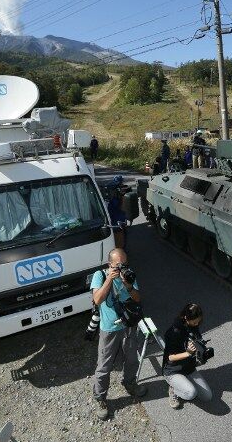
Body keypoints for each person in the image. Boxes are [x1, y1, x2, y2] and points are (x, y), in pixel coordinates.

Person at [91, 248, 146, 421]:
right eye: (119, 265)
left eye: (125, 264)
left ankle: (129, 383)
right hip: (109, 328)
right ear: (110, 264)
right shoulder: (99, 275)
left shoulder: (129, 275)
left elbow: (137, 298)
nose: (123, 267)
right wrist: (109, 279)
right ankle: (100, 397)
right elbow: (97, 300)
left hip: (128, 325)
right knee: (104, 366)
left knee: (131, 359)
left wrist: (128, 285)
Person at [162, 303, 212, 409]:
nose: (197, 324)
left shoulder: (192, 326)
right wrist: (188, 353)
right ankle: (173, 389)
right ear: (186, 317)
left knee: (207, 397)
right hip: (173, 369)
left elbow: (197, 341)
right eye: (194, 322)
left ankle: (184, 381)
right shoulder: (174, 333)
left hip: (188, 367)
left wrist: (202, 351)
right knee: (191, 393)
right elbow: (170, 357)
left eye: (199, 321)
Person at [106, 176, 128, 249]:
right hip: (117, 225)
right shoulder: (115, 200)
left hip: (116, 224)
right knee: (120, 246)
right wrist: (122, 197)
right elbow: (123, 208)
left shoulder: (112, 199)